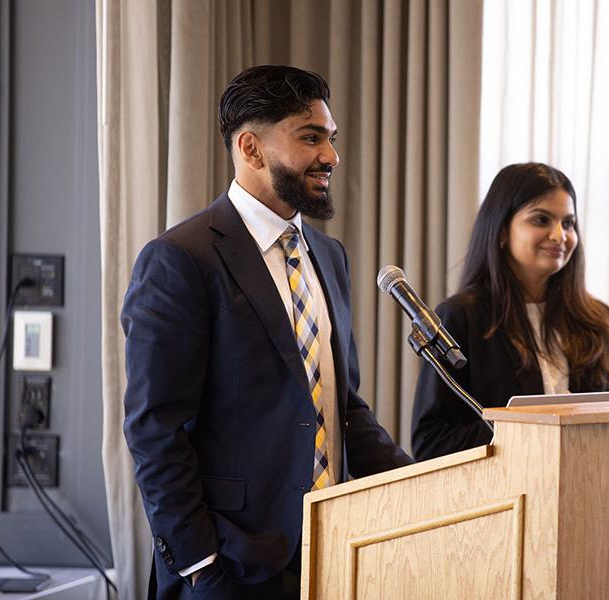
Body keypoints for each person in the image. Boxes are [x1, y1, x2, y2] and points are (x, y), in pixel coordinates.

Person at [121, 65, 412, 600]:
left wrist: (425, 488)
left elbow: (341, 405)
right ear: (251, 148)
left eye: (331, 138)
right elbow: (155, 432)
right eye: (311, 137)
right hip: (230, 570)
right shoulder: (180, 260)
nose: (331, 156)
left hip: (334, 558)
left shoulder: (330, 256)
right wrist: (201, 567)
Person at [411, 162, 609, 461]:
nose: (559, 235)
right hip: (504, 499)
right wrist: (532, 422)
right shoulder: (460, 318)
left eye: (568, 223)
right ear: (502, 231)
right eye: (542, 220)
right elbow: (432, 442)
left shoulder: (602, 321)